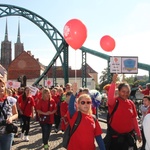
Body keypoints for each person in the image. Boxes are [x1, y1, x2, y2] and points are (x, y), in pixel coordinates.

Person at [107, 74, 142, 150]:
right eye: (123, 91)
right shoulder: (115, 102)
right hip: (115, 139)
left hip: (129, 138)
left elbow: (134, 119)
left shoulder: (131, 103)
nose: (125, 94)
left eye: (127, 92)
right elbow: (110, 97)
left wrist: (138, 134)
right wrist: (113, 82)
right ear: (119, 91)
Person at [67, 83, 105, 150]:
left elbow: (98, 137)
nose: (86, 104)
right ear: (78, 104)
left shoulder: (93, 118)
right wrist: (74, 93)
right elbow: (70, 107)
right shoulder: (75, 115)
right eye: (83, 102)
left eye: (88, 102)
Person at [0, 79, 18, 150]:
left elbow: (16, 114)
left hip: (7, 131)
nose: (1, 88)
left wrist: (11, 118)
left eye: (2, 86)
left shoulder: (10, 100)